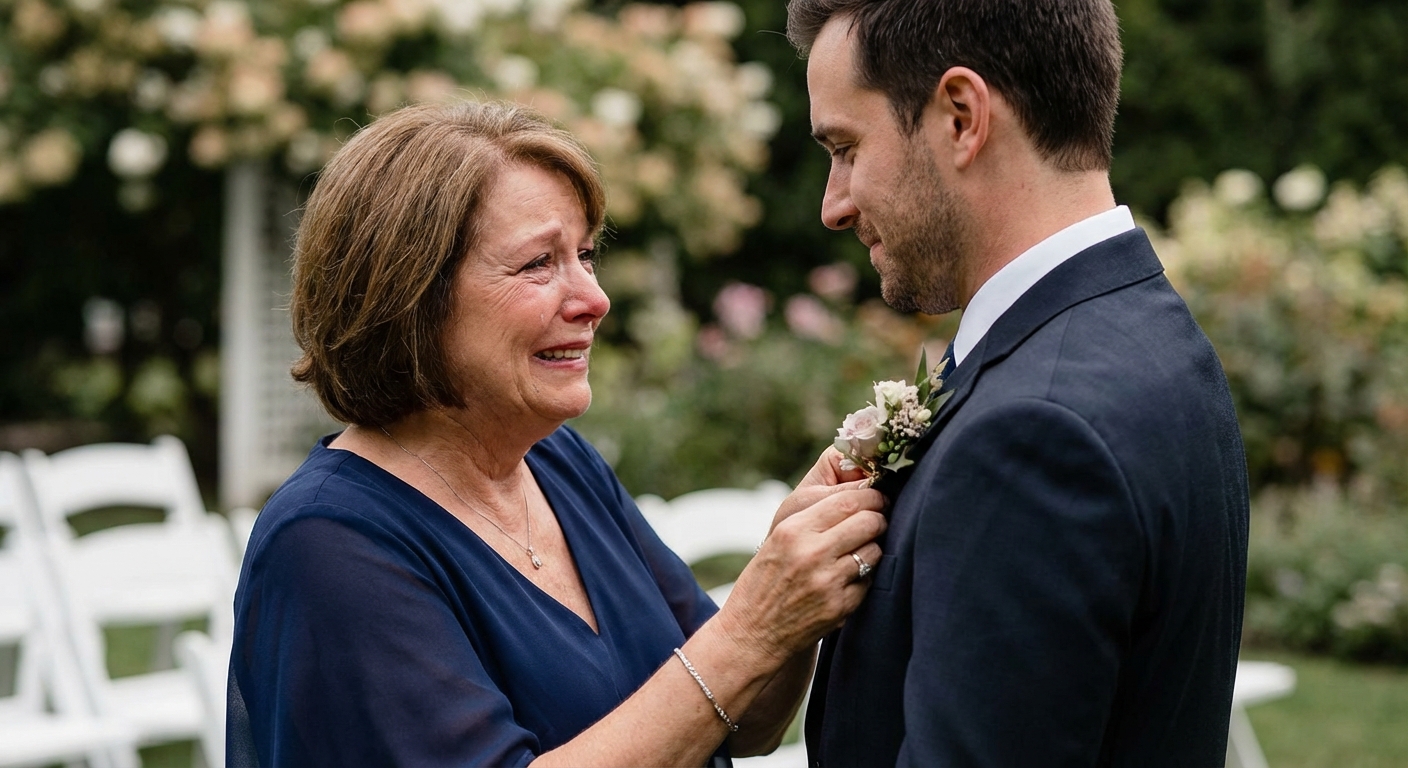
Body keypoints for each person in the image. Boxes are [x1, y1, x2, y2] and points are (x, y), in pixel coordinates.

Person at [228, 99, 887, 767]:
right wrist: (749, 630)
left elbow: (739, 722)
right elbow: (724, 664)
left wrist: (795, 579)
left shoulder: (559, 463)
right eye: (538, 264)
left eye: (586, 255)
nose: (594, 300)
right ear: (410, 297)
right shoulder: (329, 543)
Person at [784, 0, 1250, 765]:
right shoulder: (1155, 334)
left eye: (845, 148)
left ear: (962, 117)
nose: (834, 205)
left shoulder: (1033, 434)